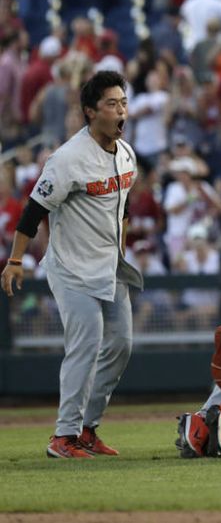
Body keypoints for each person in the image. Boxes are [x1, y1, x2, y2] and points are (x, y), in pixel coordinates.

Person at [1, 71, 142, 459]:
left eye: (123, 102)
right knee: (87, 342)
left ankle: (86, 428)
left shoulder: (126, 153)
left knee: (122, 344)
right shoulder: (67, 158)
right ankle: (63, 437)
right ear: (90, 111)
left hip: (109, 265)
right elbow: (33, 211)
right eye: (111, 104)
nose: (120, 110)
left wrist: (122, 249)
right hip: (71, 268)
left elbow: (125, 206)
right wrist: (15, 260)